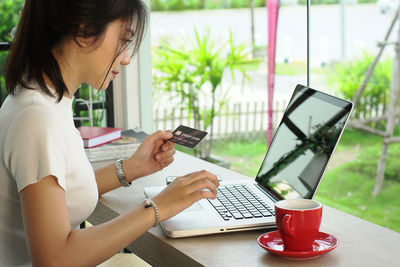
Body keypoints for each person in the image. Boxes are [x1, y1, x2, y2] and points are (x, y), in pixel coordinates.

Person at [0, 0, 220, 266]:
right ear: (84, 29)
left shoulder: (39, 100)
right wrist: (158, 207)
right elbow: (54, 259)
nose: (127, 58)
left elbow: (60, 189)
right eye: (124, 39)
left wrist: (132, 168)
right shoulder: (38, 118)